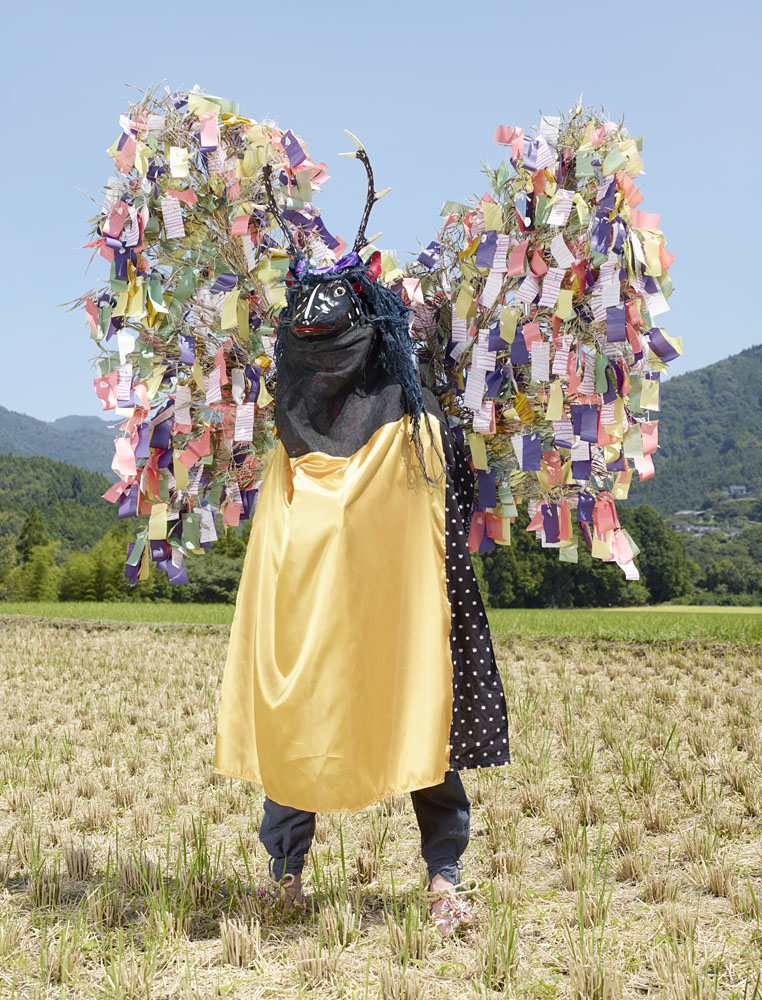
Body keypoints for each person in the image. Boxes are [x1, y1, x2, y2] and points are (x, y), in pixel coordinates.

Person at [214, 155, 510, 935]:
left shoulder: (403, 437)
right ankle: (306, 878)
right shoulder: (382, 436)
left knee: (386, 723)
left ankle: (434, 880)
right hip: (359, 628)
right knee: (341, 726)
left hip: (364, 626)